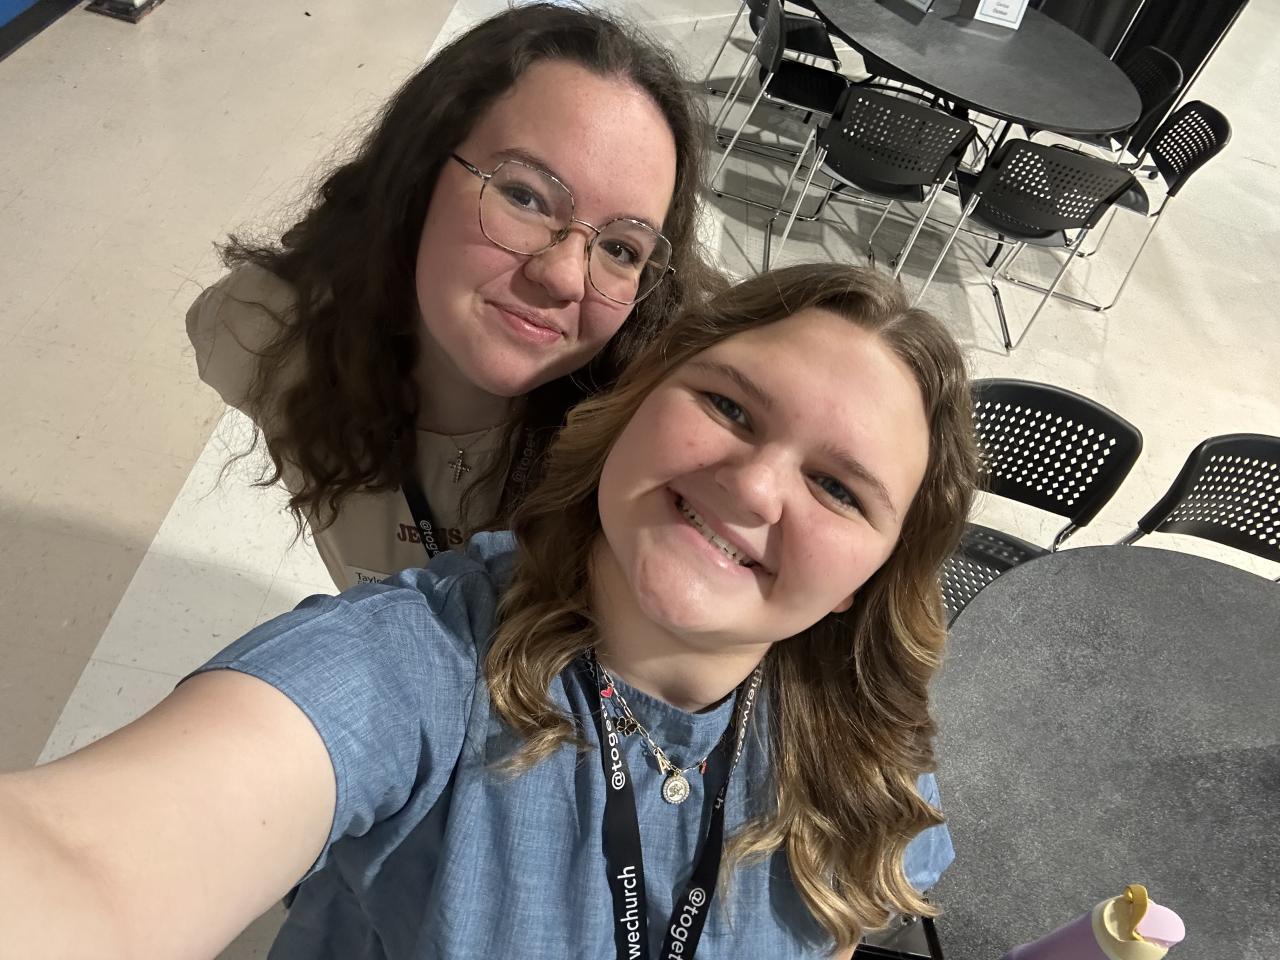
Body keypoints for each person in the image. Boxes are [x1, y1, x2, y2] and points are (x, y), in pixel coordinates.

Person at [1, 264, 978, 959]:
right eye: (729, 407)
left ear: (865, 581)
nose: (755, 486)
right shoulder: (417, 664)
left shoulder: (866, 753)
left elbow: (832, 930)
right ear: (642, 400)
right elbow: (84, 861)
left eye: (838, 489)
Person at [186, 3, 721, 590]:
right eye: (525, 196)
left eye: (621, 249)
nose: (566, 277)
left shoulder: (652, 450)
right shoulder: (266, 330)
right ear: (418, 175)